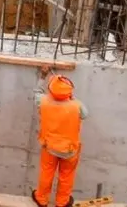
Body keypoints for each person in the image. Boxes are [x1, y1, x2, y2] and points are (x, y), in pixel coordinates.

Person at [31, 71, 88, 207]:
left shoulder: (43, 101)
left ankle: (42, 199)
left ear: (51, 91)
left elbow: (37, 93)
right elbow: (85, 114)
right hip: (69, 149)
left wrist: (43, 77)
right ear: (69, 92)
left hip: (49, 147)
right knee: (66, 176)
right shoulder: (76, 106)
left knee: (46, 173)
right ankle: (62, 203)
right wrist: (72, 98)